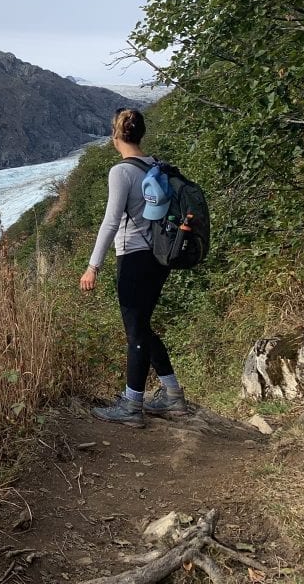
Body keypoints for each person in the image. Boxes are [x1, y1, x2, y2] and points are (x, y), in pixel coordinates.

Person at [79, 108, 186, 427]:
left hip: (134, 258)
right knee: (143, 326)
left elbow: (111, 221)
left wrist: (92, 266)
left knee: (136, 331)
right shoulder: (154, 164)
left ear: (116, 135)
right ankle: (173, 395)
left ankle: (131, 405)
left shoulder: (121, 172)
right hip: (159, 257)